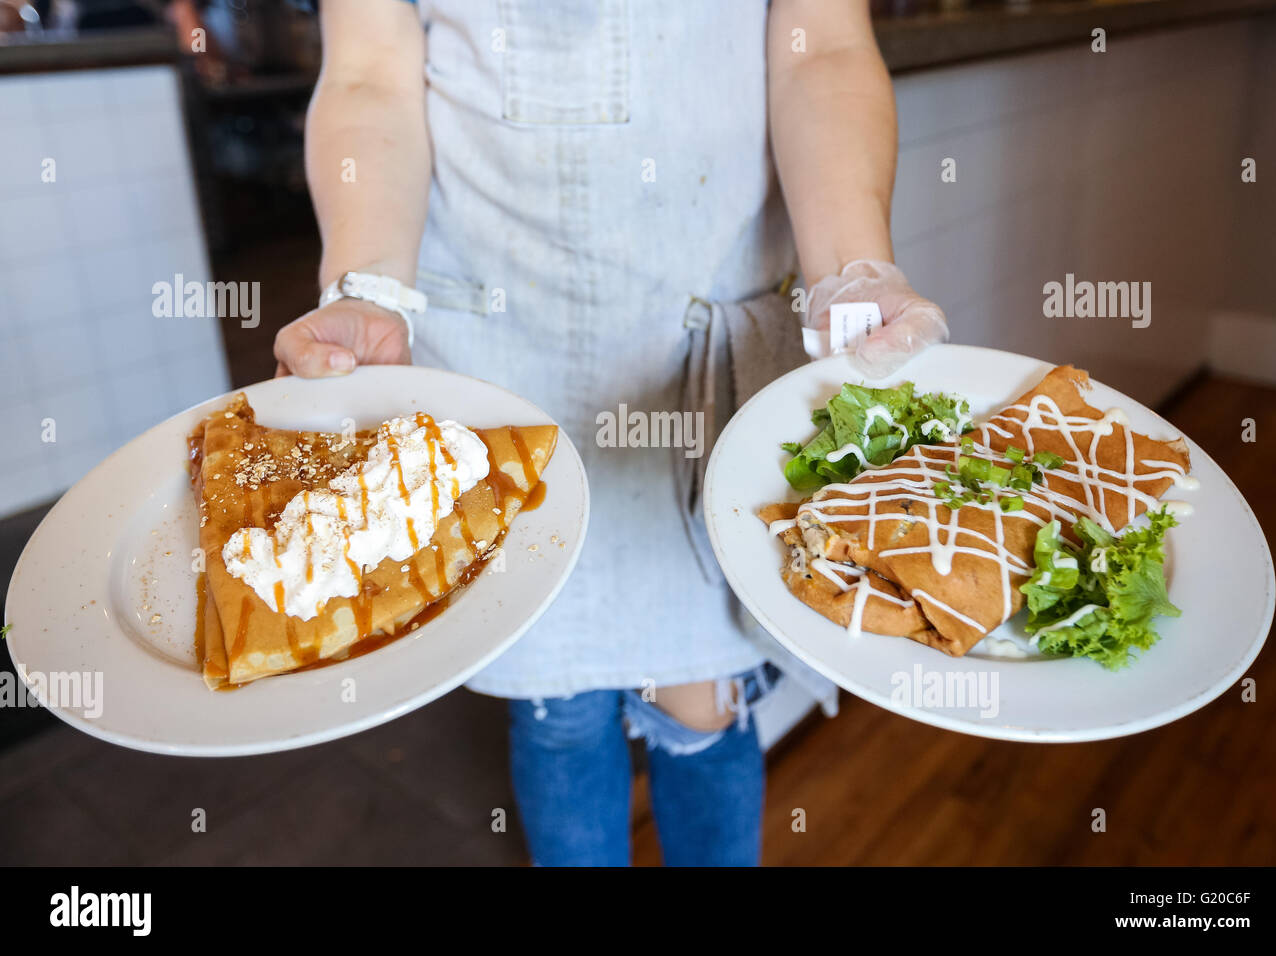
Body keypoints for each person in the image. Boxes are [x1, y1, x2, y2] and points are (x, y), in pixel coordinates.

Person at [274, 0, 947, 866]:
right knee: (554, 703)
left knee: (701, 697)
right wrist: (366, 286)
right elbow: (370, 72)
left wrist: (852, 268)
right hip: (497, 339)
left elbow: (820, 48)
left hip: (695, 327)